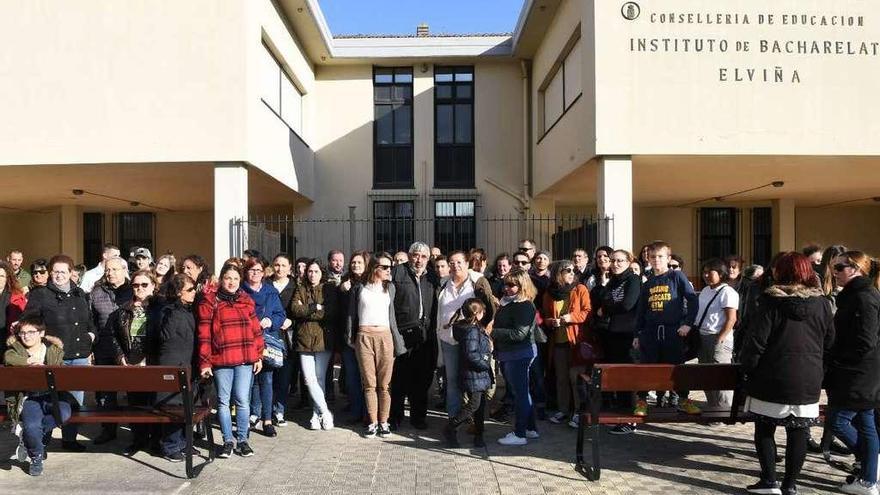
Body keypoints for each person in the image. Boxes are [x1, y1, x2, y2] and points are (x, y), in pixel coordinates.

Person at [739, 252, 834, 495]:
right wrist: (819, 370)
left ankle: (769, 482)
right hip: (808, 378)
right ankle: (790, 485)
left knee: (764, 430)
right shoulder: (822, 303)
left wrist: (747, 369)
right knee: (799, 431)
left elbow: (756, 343)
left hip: (771, 376)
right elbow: (830, 341)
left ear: (779, 272)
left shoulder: (770, 302)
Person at [21, 254, 95, 452]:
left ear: (72, 273)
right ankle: (42, 439)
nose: (59, 276)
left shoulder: (80, 294)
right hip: (52, 356)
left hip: (79, 355)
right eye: (55, 272)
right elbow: (28, 322)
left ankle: (69, 440)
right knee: (48, 400)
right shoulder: (41, 294)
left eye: (63, 272)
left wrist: (91, 335)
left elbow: (89, 321)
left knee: (74, 402)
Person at [826, 251, 880, 495]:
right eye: (834, 268)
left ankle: (869, 471)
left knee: (838, 421)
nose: (834, 273)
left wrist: (839, 357)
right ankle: (869, 476)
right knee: (865, 422)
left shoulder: (863, 296)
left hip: (858, 371)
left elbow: (866, 340)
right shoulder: (856, 294)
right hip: (861, 370)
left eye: (839, 268)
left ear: (856, 268)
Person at [197, 263, 264, 459]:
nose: (232, 282)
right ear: (221, 279)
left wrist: (259, 355)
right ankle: (227, 441)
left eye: (235, 278)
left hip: (244, 358)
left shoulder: (246, 300)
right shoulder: (210, 302)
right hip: (221, 359)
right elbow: (204, 336)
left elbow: (256, 330)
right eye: (228, 278)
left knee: (243, 401)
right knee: (224, 402)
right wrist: (205, 362)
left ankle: (242, 440)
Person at [633, 241, 700, 417]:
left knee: (677, 368)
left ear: (668, 258)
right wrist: (637, 334)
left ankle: (684, 400)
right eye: (653, 257)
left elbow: (693, 300)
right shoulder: (648, 283)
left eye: (660, 256)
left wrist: (688, 323)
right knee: (647, 368)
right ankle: (642, 401)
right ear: (648, 259)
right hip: (650, 332)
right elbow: (641, 311)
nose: (656, 260)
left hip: (672, 332)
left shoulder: (676, 277)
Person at [345, 252, 406, 438]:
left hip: (385, 336)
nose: (390, 270)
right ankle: (372, 422)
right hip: (364, 336)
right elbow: (351, 315)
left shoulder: (391, 288)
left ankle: (384, 422)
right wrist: (350, 338)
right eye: (385, 267)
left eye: (391, 267)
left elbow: (393, 316)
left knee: (385, 384)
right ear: (375, 268)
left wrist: (397, 341)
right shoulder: (359, 288)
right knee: (369, 384)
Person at [4, 316, 73, 476]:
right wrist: (28, 361)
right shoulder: (15, 350)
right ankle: (36, 456)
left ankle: (32, 439)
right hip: (30, 398)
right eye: (22, 333)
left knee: (63, 414)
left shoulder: (53, 350)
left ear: (41, 333)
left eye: (31, 332)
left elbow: (62, 372)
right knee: (32, 426)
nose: (26, 336)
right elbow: (9, 358)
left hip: (53, 396)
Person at [104, 269, 159, 455]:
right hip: (130, 361)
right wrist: (120, 357)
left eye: (144, 285)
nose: (140, 288)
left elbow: (164, 338)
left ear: (153, 286)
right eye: (136, 285)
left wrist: (149, 359)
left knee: (154, 403)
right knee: (135, 404)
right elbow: (111, 336)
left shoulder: (160, 309)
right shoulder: (122, 311)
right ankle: (138, 440)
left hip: (153, 363)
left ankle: (155, 440)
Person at [437, 251, 496, 419]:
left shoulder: (477, 282)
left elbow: (490, 309)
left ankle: (476, 421)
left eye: (459, 262)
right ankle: (454, 419)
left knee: (475, 382)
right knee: (453, 381)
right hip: (448, 338)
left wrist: (485, 333)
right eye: (452, 262)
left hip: (472, 341)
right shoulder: (443, 283)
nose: (455, 266)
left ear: (467, 264)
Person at [389, 242, 438, 430]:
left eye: (423, 256)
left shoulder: (432, 276)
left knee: (423, 378)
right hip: (403, 333)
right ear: (409, 256)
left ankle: (418, 417)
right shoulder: (398, 273)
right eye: (416, 255)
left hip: (425, 335)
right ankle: (396, 416)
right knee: (400, 378)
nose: (419, 260)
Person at [541, 260, 591, 429]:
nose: (571, 273)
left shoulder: (580, 289)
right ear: (558, 273)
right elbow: (545, 316)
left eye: (573, 270)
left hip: (576, 341)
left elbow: (587, 312)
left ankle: (578, 412)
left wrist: (572, 318)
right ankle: (563, 410)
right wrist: (550, 322)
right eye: (567, 270)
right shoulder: (549, 293)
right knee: (561, 378)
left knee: (575, 378)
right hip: (558, 341)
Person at [492, 268, 540, 446]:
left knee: (520, 393)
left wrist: (493, 332)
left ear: (522, 286)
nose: (507, 288)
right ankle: (531, 429)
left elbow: (520, 333)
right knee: (523, 392)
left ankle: (520, 434)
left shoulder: (524, 305)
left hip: (520, 354)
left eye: (512, 285)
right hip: (511, 353)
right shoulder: (508, 302)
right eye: (505, 284)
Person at [683, 258, 738, 410]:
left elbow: (731, 318)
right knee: (706, 375)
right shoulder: (706, 290)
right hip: (702, 336)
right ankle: (713, 407)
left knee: (720, 377)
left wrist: (720, 339)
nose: (706, 275)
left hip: (718, 338)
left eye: (710, 272)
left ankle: (724, 411)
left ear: (721, 273)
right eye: (704, 272)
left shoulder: (728, 292)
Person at [89, 256, 133, 445]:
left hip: (129, 348)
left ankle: (138, 431)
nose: (110, 273)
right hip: (104, 347)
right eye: (108, 270)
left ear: (124, 270)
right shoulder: (96, 292)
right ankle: (108, 428)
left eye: (115, 269)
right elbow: (90, 320)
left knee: (134, 390)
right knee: (105, 392)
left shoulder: (134, 290)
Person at [290, 258, 338, 431]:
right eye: (310, 271)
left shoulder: (329, 288)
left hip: (323, 339)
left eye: (316, 271)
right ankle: (325, 412)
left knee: (319, 378)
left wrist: (309, 310)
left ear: (322, 273)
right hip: (304, 340)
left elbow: (330, 313)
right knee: (309, 380)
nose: (312, 274)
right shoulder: (300, 288)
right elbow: (295, 310)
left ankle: (315, 415)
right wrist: (315, 307)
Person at [154, 273, 197, 462]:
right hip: (173, 364)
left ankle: (183, 442)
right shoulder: (170, 311)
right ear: (179, 292)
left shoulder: (185, 310)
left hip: (184, 363)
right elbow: (166, 337)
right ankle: (171, 445)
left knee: (184, 403)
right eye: (190, 290)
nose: (194, 292)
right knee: (173, 404)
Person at [241, 257, 285, 438]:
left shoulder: (270, 291)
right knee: (249, 381)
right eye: (252, 270)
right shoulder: (241, 292)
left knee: (266, 380)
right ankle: (252, 415)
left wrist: (271, 321)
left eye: (259, 270)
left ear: (263, 272)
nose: (255, 274)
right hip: (246, 341)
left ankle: (267, 419)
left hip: (266, 340)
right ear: (246, 272)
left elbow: (281, 314)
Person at [601, 250, 642, 435]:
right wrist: (607, 307)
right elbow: (604, 301)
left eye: (620, 261)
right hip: (613, 333)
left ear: (629, 262)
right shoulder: (613, 281)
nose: (615, 263)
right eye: (613, 260)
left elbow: (628, 304)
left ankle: (630, 421)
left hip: (627, 334)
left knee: (627, 378)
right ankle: (622, 417)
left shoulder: (632, 280)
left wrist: (607, 308)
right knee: (617, 377)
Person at [442, 298, 492, 448]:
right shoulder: (471, 330)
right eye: (482, 311)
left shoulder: (470, 327)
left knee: (480, 405)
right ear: (477, 314)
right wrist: (484, 363)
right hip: (475, 373)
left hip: (476, 374)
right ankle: (451, 427)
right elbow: (471, 353)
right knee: (474, 405)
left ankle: (479, 434)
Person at [339, 250, 368, 424]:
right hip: (348, 337)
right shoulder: (345, 283)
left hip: (365, 336)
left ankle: (367, 411)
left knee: (366, 376)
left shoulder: (371, 283)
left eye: (359, 263)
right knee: (351, 377)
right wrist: (342, 291)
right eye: (353, 262)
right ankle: (356, 410)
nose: (355, 265)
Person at [269, 253, 297, 426]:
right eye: (277, 265)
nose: (279, 268)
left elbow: (299, 310)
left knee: (284, 376)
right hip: (270, 334)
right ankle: (266, 412)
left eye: (283, 265)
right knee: (268, 376)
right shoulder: (266, 285)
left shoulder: (295, 287)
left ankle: (279, 410)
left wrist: (291, 321)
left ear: (289, 268)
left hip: (288, 337)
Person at [0, 261, 27, 360]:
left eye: (2, 276)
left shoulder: (17, 297)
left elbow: (24, 321)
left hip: (10, 345)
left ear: (7, 278)